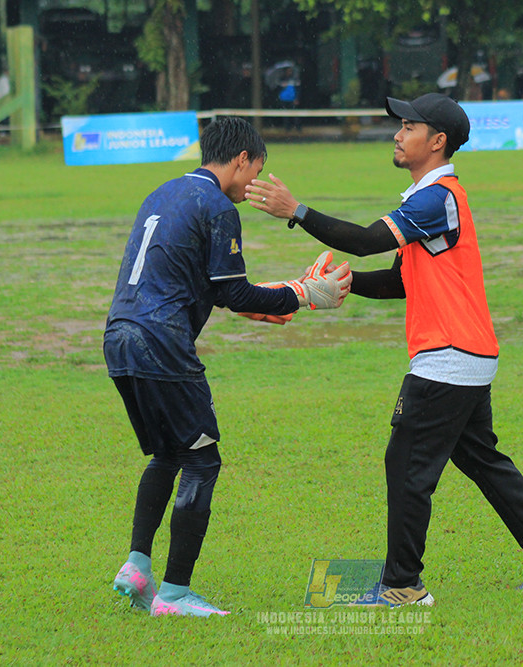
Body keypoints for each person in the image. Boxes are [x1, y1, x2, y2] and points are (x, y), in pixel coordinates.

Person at [245, 93, 523, 607]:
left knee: (405, 464)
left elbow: (362, 239)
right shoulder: (427, 201)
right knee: (480, 459)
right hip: (465, 353)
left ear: (437, 141)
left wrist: (297, 211)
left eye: (408, 127)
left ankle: (402, 585)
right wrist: (342, 284)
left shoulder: (436, 197)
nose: (398, 135)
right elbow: (402, 281)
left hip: (447, 355)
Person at [104, 116, 352, 618]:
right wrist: (303, 294)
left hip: (119, 337)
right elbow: (235, 291)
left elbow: (218, 291)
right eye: (257, 170)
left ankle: (136, 567)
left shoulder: (163, 193)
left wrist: (277, 301)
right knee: (202, 460)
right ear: (241, 159)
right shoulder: (217, 205)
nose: (254, 182)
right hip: (162, 343)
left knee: (170, 454)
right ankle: (173, 595)